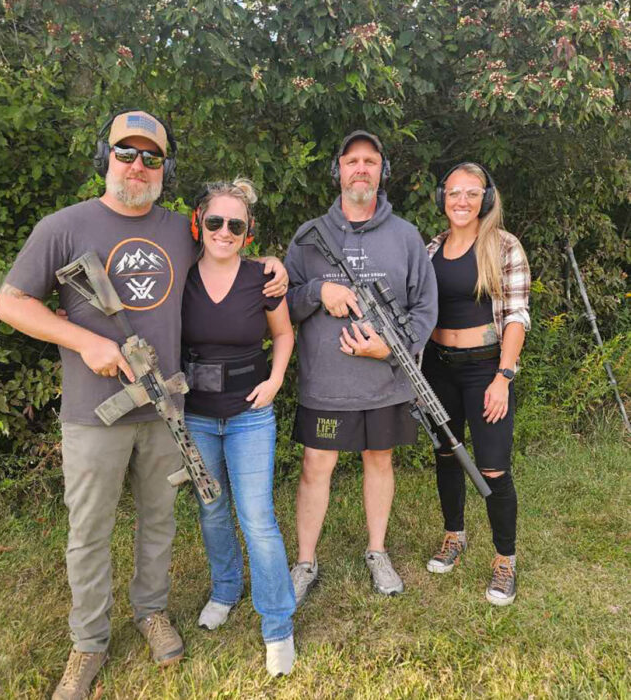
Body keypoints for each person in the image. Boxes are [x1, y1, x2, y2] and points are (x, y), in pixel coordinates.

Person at [0, 110, 288, 700]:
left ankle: (151, 612)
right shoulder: (65, 226)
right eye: (126, 154)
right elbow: (11, 303)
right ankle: (89, 642)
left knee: (159, 521)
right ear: (104, 158)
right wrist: (86, 341)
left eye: (152, 157)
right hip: (91, 412)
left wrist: (275, 267)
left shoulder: (182, 229)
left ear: (165, 168)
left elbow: (227, 245)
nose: (138, 166)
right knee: (89, 531)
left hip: (165, 412)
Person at [284, 131, 438, 604]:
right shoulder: (310, 237)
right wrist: (318, 292)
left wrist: (389, 350)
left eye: (370, 161)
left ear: (382, 172)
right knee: (316, 466)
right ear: (338, 171)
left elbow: (424, 309)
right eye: (352, 160)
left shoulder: (406, 235)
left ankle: (376, 551)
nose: (361, 169)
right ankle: (305, 561)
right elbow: (283, 304)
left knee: (380, 461)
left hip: (386, 383)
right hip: (326, 384)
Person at [181, 179, 296, 676]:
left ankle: (278, 624)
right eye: (215, 222)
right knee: (212, 510)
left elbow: (285, 332)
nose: (224, 231)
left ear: (248, 232)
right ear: (199, 224)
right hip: (196, 416)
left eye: (236, 224)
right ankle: (225, 589)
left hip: (251, 415)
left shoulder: (263, 278)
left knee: (258, 518)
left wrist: (275, 380)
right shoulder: (180, 275)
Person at [423, 162, 530, 606]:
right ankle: (454, 535)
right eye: (453, 193)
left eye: (471, 193)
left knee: (492, 466)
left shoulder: (504, 247)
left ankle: (505, 559)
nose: (461, 201)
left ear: (485, 199)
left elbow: (517, 315)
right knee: (447, 454)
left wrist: (503, 376)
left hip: (486, 367)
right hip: (437, 366)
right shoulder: (431, 248)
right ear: (442, 199)